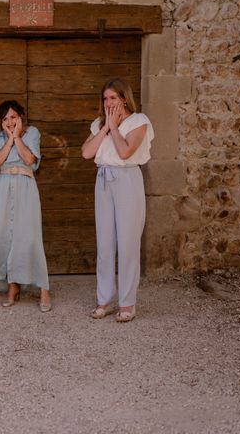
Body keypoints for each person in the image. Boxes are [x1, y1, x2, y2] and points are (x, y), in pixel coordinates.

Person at [81, 78, 154, 322]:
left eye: (113, 97)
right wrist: (105, 127)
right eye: (105, 98)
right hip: (103, 180)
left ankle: (127, 303)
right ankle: (104, 300)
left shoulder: (139, 121)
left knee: (127, 243)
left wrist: (114, 128)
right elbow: (86, 153)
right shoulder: (98, 124)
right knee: (104, 244)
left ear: (124, 98)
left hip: (127, 181)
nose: (109, 102)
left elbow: (125, 152)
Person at [0, 100, 51, 312]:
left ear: (21, 117)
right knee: (6, 237)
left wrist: (17, 136)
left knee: (30, 237)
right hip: (3, 187)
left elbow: (29, 159)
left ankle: (44, 289)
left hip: (26, 186)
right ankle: (13, 287)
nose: (10, 122)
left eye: (13, 117)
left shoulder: (32, 133)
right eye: (5, 119)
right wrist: (9, 139)